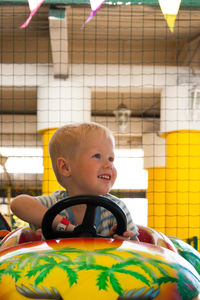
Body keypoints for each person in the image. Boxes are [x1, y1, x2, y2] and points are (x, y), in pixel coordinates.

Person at [11, 122, 139, 240]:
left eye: (111, 159)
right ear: (66, 167)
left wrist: (122, 241)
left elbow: (139, 252)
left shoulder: (117, 209)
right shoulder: (53, 204)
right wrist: (67, 227)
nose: (109, 165)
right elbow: (18, 204)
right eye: (97, 156)